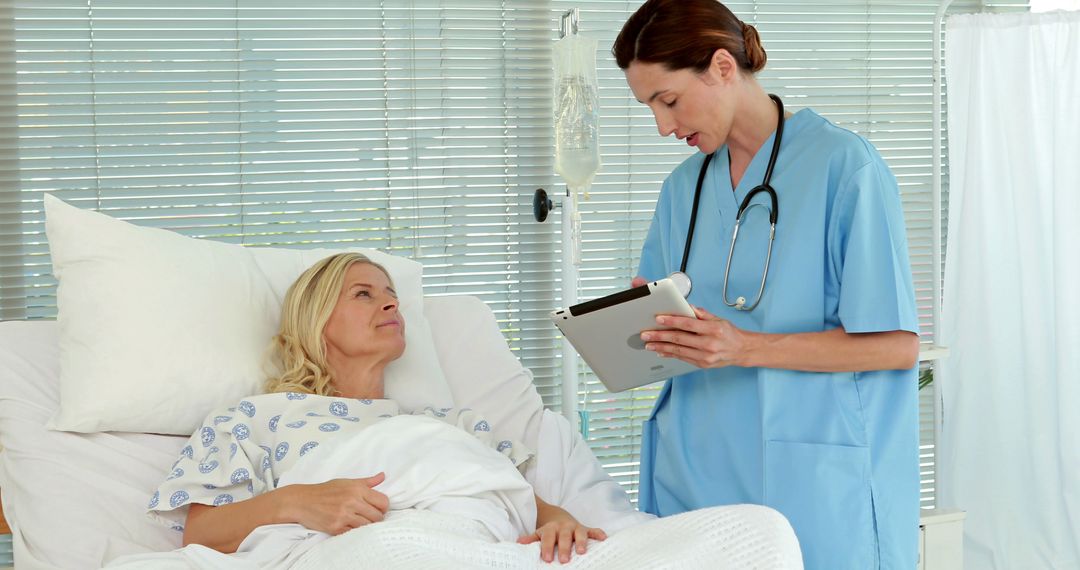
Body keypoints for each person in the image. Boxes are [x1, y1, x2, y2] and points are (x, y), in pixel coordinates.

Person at [612, 1, 921, 568]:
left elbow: (898, 345)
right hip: (695, 473)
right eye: (648, 106)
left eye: (669, 100)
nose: (662, 125)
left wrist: (746, 347)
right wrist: (644, 326)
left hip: (809, 478)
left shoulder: (845, 168)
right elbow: (677, 337)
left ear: (723, 67)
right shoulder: (683, 187)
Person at [147, 253, 606, 565]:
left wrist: (559, 524)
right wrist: (297, 502)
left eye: (391, 294)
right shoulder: (253, 419)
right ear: (316, 320)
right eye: (363, 294)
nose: (390, 302)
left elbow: (514, 497)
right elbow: (201, 536)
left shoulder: (444, 425)